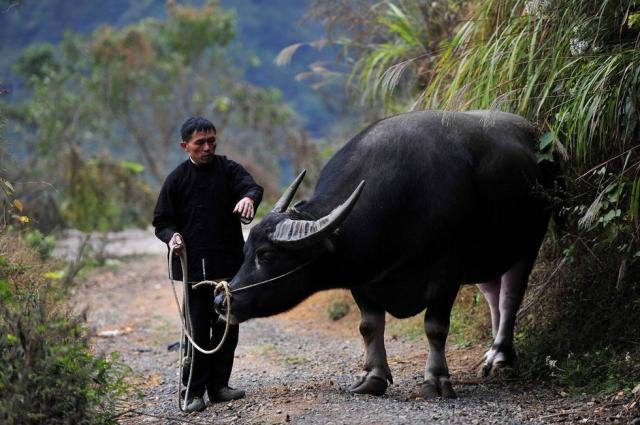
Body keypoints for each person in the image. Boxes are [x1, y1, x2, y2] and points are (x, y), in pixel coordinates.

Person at [153, 116, 263, 412]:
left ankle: (218, 387)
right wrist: (172, 237)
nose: (207, 147)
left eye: (211, 141)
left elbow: (252, 187)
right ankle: (192, 392)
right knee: (198, 332)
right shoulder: (176, 180)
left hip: (229, 268)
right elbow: (162, 221)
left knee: (228, 328)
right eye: (200, 143)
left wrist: (249, 200)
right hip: (193, 273)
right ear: (184, 146)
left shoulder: (228, 169)